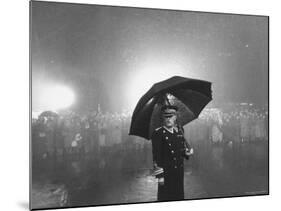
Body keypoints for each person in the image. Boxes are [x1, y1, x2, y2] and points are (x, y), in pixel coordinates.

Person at [151, 105, 193, 201]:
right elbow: (156, 157)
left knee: (178, 197)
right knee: (166, 198)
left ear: (176, 117)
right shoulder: (158, 133)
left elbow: (180, 151)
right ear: (163, 117)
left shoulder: (179, 131)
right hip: (166, 173)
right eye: (166, 116)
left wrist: (186, 153)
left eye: (171, 116)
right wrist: (160, 177)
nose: (168, 119)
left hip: (178, 172)